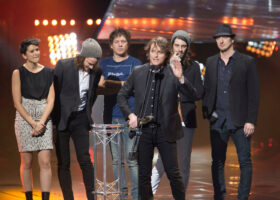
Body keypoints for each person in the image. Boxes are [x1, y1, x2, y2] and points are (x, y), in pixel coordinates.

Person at [118, 36, 201, 200]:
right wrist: (130, 114)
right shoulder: (138, 72)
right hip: (144, 131)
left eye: (160, 52)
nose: (156, 55)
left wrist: (181, 78)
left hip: (166, 130)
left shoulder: (173, 73)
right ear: (148, 53)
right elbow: (122, 96)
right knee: (143, 174)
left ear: (166, 54)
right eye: (153, 51)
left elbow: (194, 95)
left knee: (173, 173)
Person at [202, 24, 259, 200]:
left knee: (245, 162)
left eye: (224, 36)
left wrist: (251, 120)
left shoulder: (247, 62)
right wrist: (208, 113)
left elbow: (254, 93)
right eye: (218, 37)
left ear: (232, 39)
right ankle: (219, 196)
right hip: (218, 121)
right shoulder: (211, 62)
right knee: (217, 162)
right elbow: (207, 89)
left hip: (241, 121)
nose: (221, 39)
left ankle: (242, 197)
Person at [150, 30, 204, 194]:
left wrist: (182, 80)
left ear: (187, 48)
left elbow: (199, 93)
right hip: (166, 119)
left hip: (185, 119)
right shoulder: (163, 65)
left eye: (183, 46)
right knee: (161, 160)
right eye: (177, 45)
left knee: (184, 162)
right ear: (171, 45)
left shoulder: (195, 67)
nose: (180, 49)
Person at [52, 38, 103, 200]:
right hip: (62, 119)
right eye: (89, 63)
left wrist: (86, 113)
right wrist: (53, 120)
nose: (92, 67)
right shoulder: (63, 66)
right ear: (82, 57)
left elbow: (92, 95)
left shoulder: (96, 71)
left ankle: (92, 197)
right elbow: (53, 92)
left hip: (80, 119)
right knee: (64, 162)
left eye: (94, 64)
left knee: (85, 160)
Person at [98, 28, 141, 200]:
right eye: (117, 41)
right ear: (111, 45)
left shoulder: (135, 63)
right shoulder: (104, 64)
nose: (120, 44)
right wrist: (123, 83)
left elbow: (137, 86)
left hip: (130, 117)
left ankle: (137, 196)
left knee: (132, 160)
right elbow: (99, 87)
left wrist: (114, 84)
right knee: (116, 161)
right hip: (111, 117)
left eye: (123, 41)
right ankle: (122, 195)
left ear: (128, 44)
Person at [12, 38, 55, 200]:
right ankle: (28, 197)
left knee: (45, 162)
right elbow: (17, 102)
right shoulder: (18, 72)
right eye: (32, 51)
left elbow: (51, 100)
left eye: (37, 49)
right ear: (24, 55)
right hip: (25, 117)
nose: (36, 53)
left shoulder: (49, 72)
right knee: (27, 161)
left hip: (44, 116)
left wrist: (42, 122)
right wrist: (32, 123)